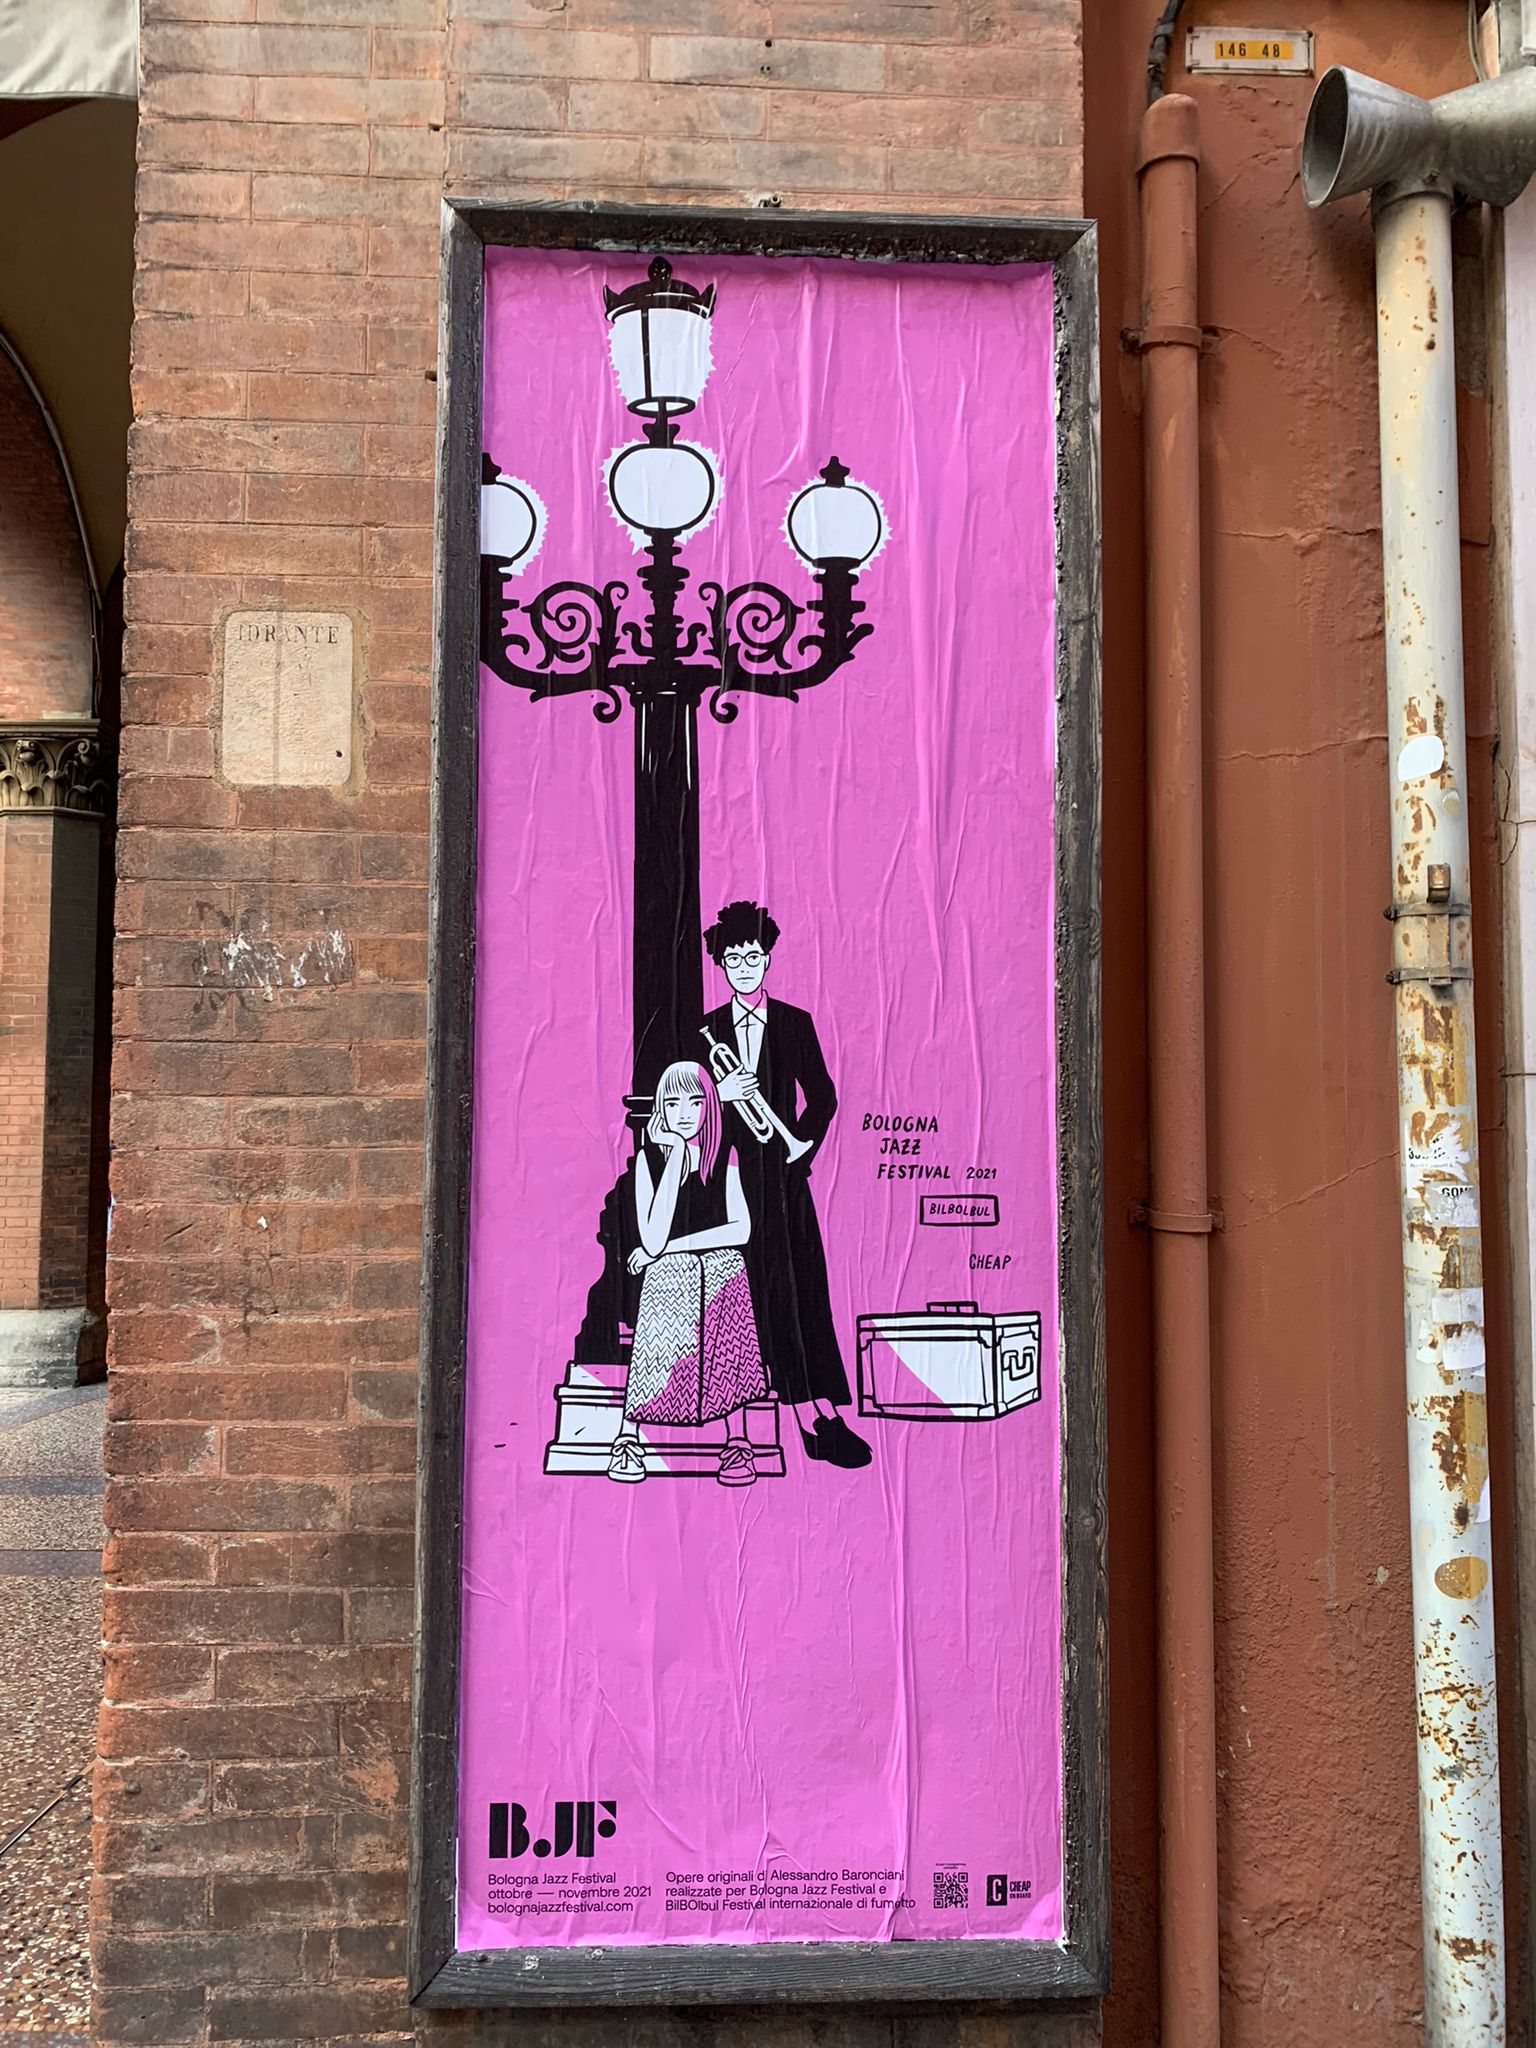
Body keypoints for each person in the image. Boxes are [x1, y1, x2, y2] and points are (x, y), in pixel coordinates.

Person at [701, 901, 871, 1471]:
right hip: (731, 1179)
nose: (744, 967)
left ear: (768, 958)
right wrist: (722, 1097)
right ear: (721, 964)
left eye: (753, 956)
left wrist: (799, 1149)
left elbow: (824, 1098)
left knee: (806, 1288)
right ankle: (807, 1418)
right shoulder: (707, 1031)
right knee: (762, 1294)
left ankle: (826, 1406)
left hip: (787, 1176)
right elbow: (689, 1109)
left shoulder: (795, 1022)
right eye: (733, 959)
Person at [609, 1060, 767, 1488]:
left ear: (710, 1106)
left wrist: (671, 1248)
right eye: (673, 1103)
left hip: (718, 1269)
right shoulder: (649, 1160)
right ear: (660, 1108)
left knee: (726, 1270)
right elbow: (652, 1238)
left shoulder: (725, 1155)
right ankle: (629, 1437)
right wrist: (676, 1155)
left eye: (695, 1102)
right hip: (671, 1275)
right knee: (667, 1276)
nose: (684, 1113)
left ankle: (737, 1441)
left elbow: (741, 1229)